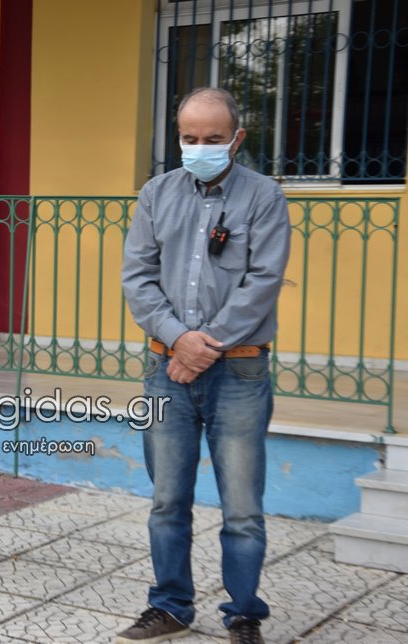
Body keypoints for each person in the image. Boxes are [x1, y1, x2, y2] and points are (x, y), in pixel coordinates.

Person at [118, 87, 291, 644]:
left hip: (238, 373)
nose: (199, 148)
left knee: (241, 507)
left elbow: (263, 281)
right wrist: (178, 340)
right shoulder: (156, 194)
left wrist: (203, 346)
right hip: (166, 371)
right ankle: (170, 606)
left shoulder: (264, 196)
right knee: (168, 501)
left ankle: (244, 614)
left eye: (212, 138)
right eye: (189, 138)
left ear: (237, 139)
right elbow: (138, 278)